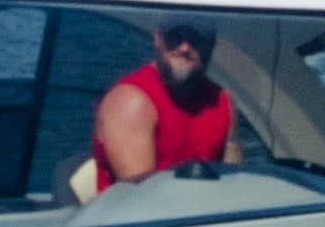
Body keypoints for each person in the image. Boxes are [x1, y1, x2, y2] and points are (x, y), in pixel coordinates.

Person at [91, 19, 240, 190]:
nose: (184, 48)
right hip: (139, 214)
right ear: (158, 39)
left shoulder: (222, 101)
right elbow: (141, 200)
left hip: (203, 209)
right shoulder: (132, 102)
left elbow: (234, 183)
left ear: (211, 44)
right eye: (175, 37)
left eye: (196, 38)